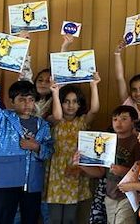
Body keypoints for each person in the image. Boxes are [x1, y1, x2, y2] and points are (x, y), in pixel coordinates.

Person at [0, 63, 54, 224]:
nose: (27, 103)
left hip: (33, 183)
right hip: (5, 181)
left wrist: (37, 147)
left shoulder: (43, 125)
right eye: (21, 99)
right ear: (12, 102)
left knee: (30, 220)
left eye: (31, 99)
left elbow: (49, 151)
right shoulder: (3, 119)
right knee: (4, 219)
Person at [45, 76, 101, 224]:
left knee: (70, 218)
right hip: (56, 173)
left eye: (75, 101)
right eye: (66, 101)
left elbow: (94, 110)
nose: (71, 105)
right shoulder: (54, 120)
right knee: (55, 218)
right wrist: (55, 93)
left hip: (75, 171)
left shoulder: (81, 122)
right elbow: (57, 115)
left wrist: (93, 86)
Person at [78, 105, 140, 224]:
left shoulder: (138, 142)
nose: (118, 122)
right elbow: (100, 172)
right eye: (115, 119)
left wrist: (123, 171)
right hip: (110, 194)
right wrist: (81, 164)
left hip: (128, 196)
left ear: (134, 122)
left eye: (124, 119)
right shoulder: (106, 141)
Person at [114, 40, 140, 118]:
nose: (138, 93)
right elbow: (120, 77)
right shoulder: (129, 103)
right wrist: (117, 53)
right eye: (134, 89)